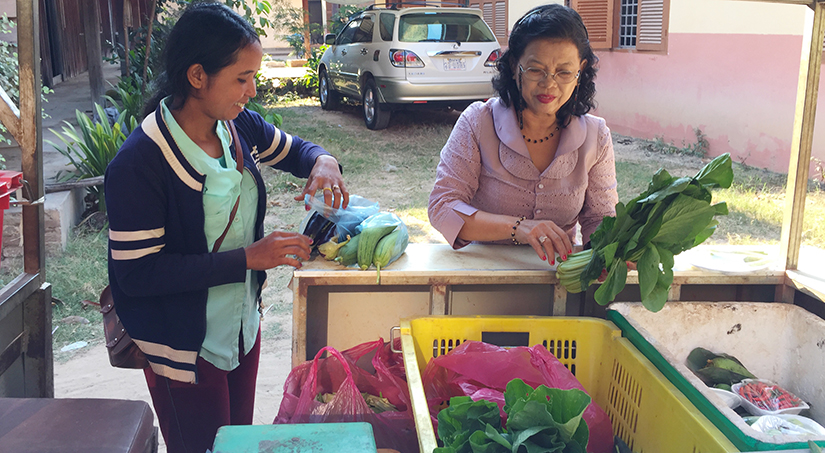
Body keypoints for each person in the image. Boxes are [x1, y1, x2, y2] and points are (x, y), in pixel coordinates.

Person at [104, 3, 348, 452]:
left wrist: (324, 162)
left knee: (235, 442)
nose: (252, 91)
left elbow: (298, 151)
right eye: (242, 78)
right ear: (197, 76)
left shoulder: (236, 127)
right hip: (184, 350)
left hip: (240, 331)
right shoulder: (140, 163)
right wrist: (249, 259)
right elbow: (137, 276)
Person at [428, 4, 618, 264]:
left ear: (580, 72)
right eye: (536, 69)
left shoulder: (596, 136)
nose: (549, 83)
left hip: (557, 279)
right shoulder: (478, 123)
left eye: (563, 72)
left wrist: (607, 253)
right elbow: (442, 207)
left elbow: (600, 218)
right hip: (483, 275)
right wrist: (518, 228)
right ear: (514, 65)